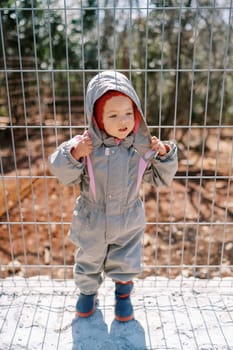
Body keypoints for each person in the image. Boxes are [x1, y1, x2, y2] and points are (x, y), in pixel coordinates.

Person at [48, 71, 178, 322]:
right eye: (113, 115)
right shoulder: (86, 146)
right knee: (89, 256)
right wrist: (74, 153)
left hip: (129, 217)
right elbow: (61, 171)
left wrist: (164, 154)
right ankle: (87, 292)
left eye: (129, 113)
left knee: (126, 257)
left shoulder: (141, 148)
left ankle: (123, 295)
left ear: (137, 113)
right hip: (92, 216)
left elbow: (161, 178)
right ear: (97, 119)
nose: (123, 121)